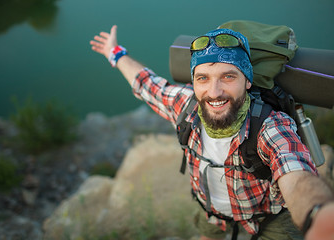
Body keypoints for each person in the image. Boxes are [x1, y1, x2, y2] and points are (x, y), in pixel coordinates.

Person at [90, 25, 334, 240]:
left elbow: (294, 171)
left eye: (228, 77)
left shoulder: (270, 126)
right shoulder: (187, 106)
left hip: (266, 218)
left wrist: (316, 213)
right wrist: (116, 53)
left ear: (247, 81)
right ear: (193, 82)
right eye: (203, 78)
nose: (214, 92)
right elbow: (147, 84)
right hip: (211, 212)